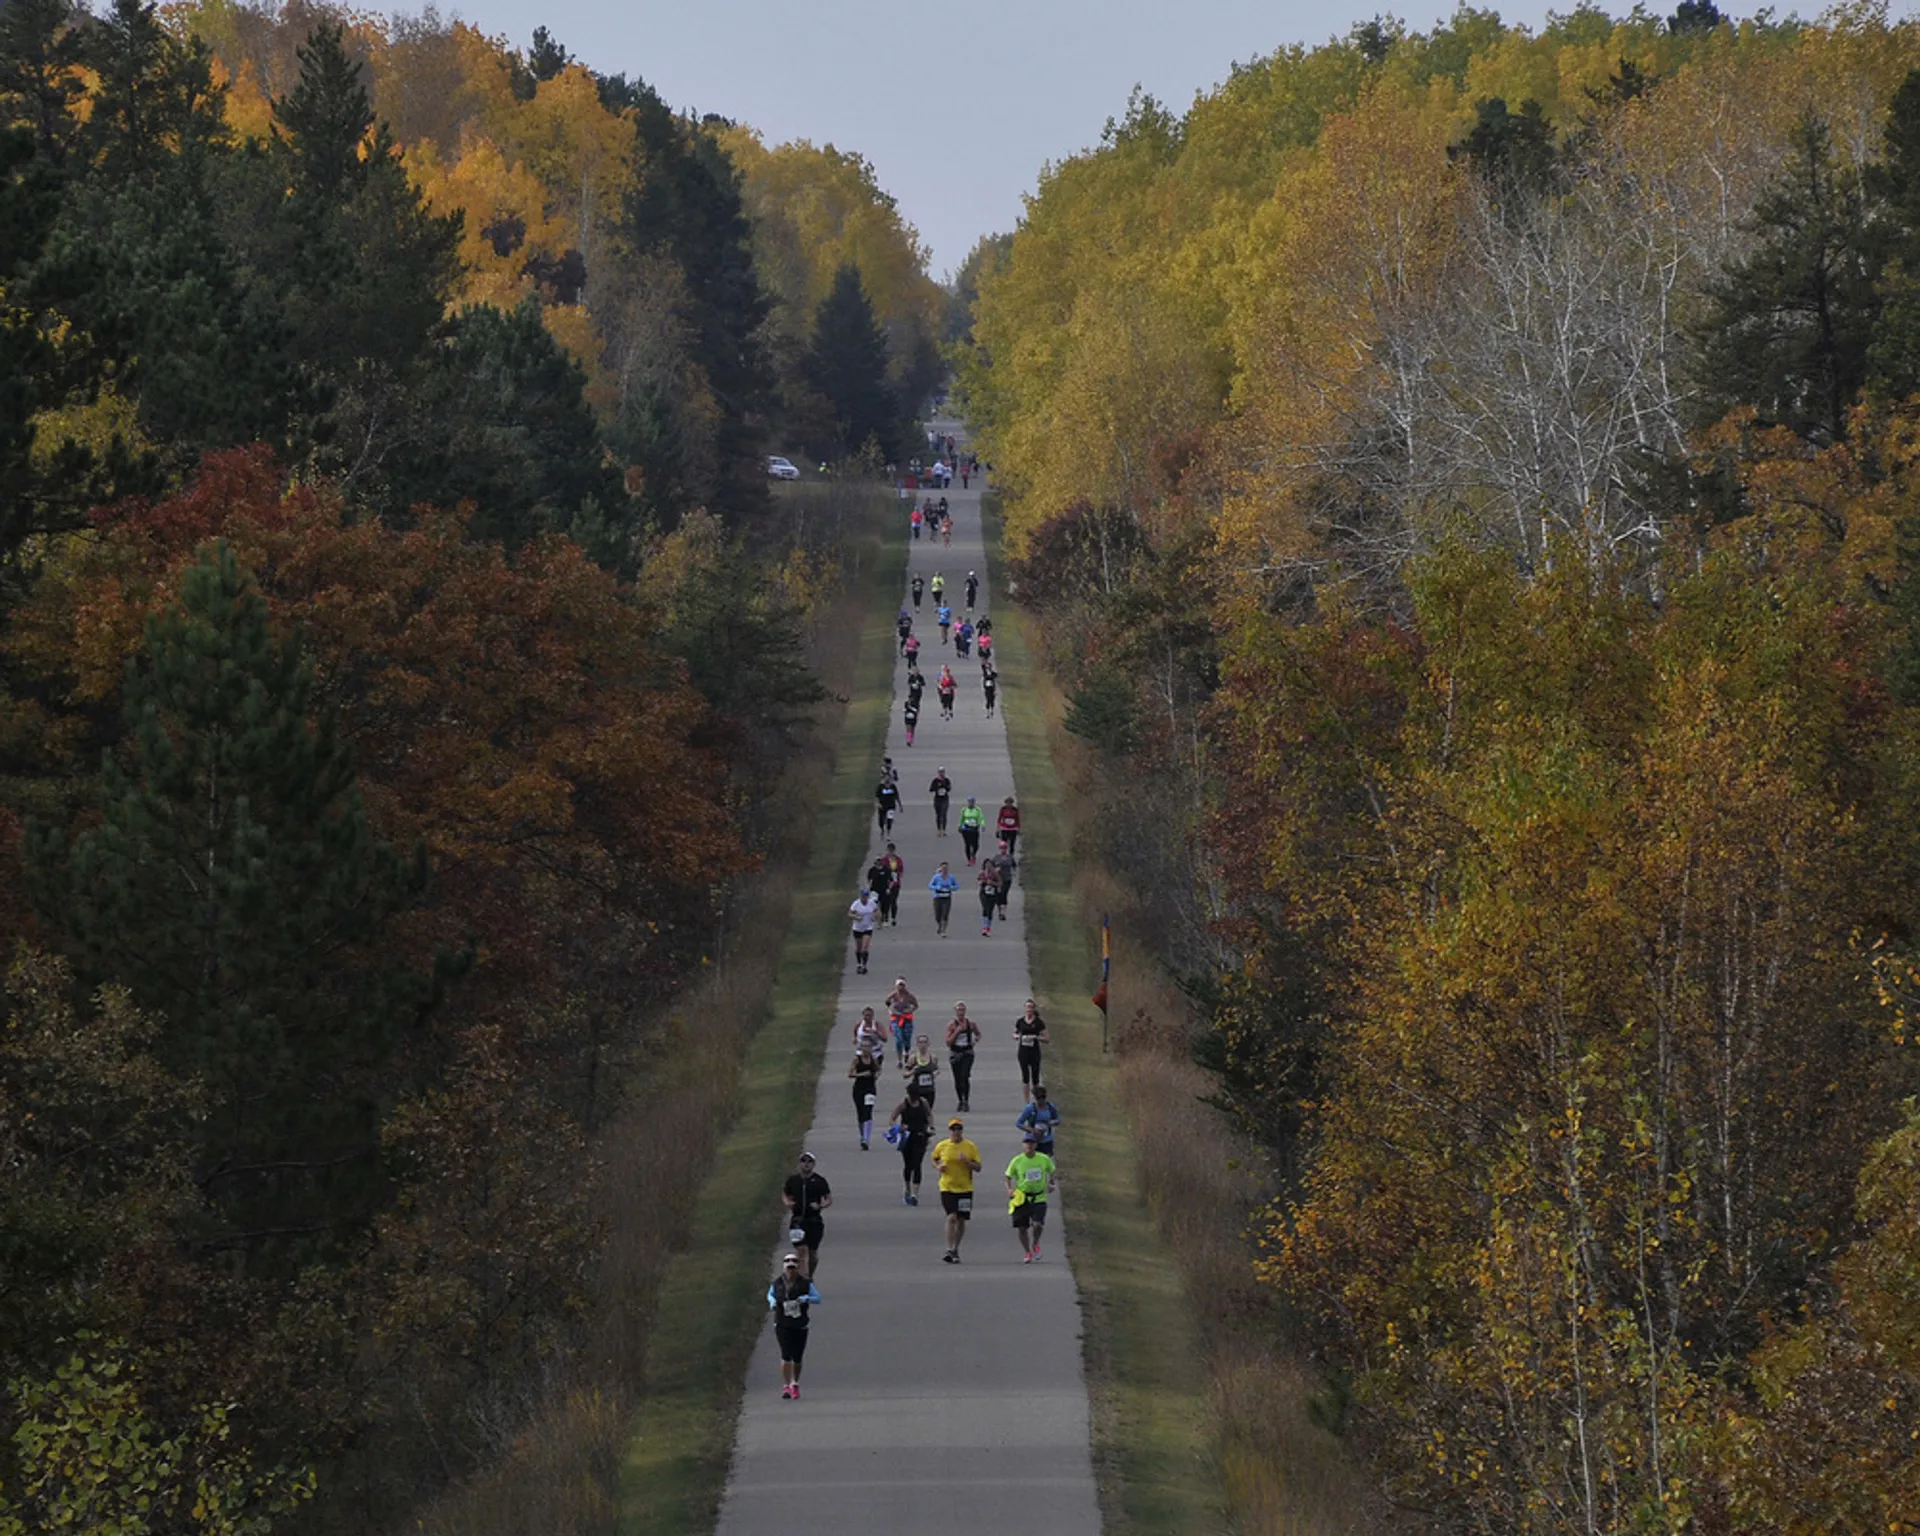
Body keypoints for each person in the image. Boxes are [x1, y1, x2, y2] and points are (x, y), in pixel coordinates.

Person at [767, 1253, 822, 1399]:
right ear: (784, 1266)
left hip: (800, 1323)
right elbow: (770, 1295)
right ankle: (786, 1387)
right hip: (782, 1323)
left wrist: (806, 1298)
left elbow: (818, 1298)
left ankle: (794, 1383)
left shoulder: (805, 1283)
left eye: (793, 1264)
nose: (791, 1267)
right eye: (788, 1263)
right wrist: (772, 1303)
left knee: (797, 1357)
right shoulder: (777, 1283)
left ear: (797, 1266)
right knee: (786, 1354)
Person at [932, 1118, 983, 1262]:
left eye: (958, 1129)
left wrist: (967, 1162)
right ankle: (949, 1248)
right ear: (949, 1131)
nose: (956, 1132)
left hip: (965, 1187)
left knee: (961, 1219)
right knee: (951, 1216)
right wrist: (938, 1167)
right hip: (947, 1186)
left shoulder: (970, 1146)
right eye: (953, 1129)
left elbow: (978, 1167)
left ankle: (955, 1248)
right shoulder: (942, 1145)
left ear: (962, 1131)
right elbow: (935, 1158)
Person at [1005, 1133, 1057, 1263]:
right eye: (1027, 1143)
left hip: (1039, 1197)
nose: (1029, 1145)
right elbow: (1007, 1176)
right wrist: (1009, 1189)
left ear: (1036, 1145)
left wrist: (1051, 1183)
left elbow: (1052, 1171)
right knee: (1022, 1227)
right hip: (1022, 1197)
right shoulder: (1017, 1160)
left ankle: (1035, 1243)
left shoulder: (1043, 1159)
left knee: (1037, 1224)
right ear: (1023, 1145)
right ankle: (1027, 1252)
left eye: (1032, 1143)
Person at [781, 1151, 832, 1279]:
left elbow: (829, 1198)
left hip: (814, 1221)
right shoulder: (793, 1181)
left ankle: (809, 1277)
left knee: (812, 1254)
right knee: (801, 1251)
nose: (806, 1164)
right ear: (799, 1164)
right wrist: (788, 1202)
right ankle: (802, 1279)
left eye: (809, 1162)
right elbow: (785, 1193)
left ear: (814, 1164)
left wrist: (821, 1206)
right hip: (797, 1221)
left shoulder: (819, 1181)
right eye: (803, 1161)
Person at [887, 1088, 931, 1204]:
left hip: (921, 1135)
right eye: (912, 1096)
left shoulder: (923, 1103)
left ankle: (914, 1194)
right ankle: (907, 1188)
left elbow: (929, 1115)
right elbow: (892, 1118)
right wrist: (898, 1128)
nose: (914, 1099)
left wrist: (931, 1127)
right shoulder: (903, 1104)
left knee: (917, 1164)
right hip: (907, 1137)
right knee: (908, 1165)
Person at [945, 1001, 980, 1112]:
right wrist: (957, 1031)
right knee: (957, 1078)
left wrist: (974, 1041)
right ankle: (960, 1100)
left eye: (962, 1010)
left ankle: (966, 1101)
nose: (960, 1012)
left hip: (967, 1053)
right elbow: (948, 1042)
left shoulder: (971, 1024)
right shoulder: (952, 1025)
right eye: (958, 1010)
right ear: (955, 1012)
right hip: (956, 1053)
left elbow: (978, 1034)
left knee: (964, 1076)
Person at [1014, 1000, 1049, 1101]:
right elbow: (1015, 1033)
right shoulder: (1020, 1021)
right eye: (1027, 1007)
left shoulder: (1038, 1022)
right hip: (1023, 1051)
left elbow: (1047, 1038)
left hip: (1034, 1052)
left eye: (1031, 1007)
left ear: (1034, 1009)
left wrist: (1036, 1037)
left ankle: (1037, 1100)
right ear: (1025, 1009)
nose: (1029, 1009)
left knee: (1035, 1077)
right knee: (1025, 1077)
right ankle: (1027, 1102)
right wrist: (1017, 1036)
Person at [1015, 1083, 1061, 1156]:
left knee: (1045, 1162)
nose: (1040, 1101)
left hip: (1047, 1140)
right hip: (1032, 1142)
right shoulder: (1030, 1109)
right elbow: (1019, 1123)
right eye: (1038, 1099)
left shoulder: (1050, 1108)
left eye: (1042, 1098)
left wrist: (1050, 1123)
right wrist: (1032, 1130)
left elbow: (1058, 1120)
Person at [885, 977, 919, 1067]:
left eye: (902, 985)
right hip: (896, 1019)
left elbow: (916, 1005)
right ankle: (899, 1059)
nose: (901, 987)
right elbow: (887, 1003)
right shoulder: (893, 995)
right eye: (899, 985)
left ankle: (906, 1051)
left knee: (907, 1038)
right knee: (899, 1039)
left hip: (907, 1018)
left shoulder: (909, 996)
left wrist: (910, 1010)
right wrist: (890, 1011)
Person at [904, 1033, 939, 1112]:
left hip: (929, 1090)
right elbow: (905, 1074)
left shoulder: (933, 1057)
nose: (923, 1045)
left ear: (928, 1044)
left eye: (924, 1042)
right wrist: (913, 1071)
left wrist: (935, 1074)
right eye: (920, 1042)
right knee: (918, 1111)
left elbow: (936, 1070)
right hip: (917, 1090)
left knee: (928, 1111)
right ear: (917, 1044)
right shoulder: (913, 1058)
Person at [848, 887, 879, 975]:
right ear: (861, 896)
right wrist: (856, 917)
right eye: (863, 896)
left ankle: (864, 965)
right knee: (859, 948)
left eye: (866, 896)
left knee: (865, 947)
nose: (865, 898)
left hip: (868, 927)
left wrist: (875, 917)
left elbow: (877, 911)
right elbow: (849, 914)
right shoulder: (856, 904)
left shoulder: (871, 903)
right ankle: (858, 964)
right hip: (857, 928)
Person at [928, 860, 959, 935]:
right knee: (937, 915)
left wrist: (951, 887)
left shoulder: (951, 877)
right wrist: (937, 887)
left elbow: (957, 886)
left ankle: (943, 930)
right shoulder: (936, 877)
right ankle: (939, 925)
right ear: (941, 869)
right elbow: (930, 886)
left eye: (946, 868)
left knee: (945, 914)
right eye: (943, 868)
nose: (945, 870)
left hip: (947, 898)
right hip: (938, 898)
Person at [989, 839, 1016, 920]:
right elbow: (991, 867)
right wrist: (994, 871)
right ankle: (1000, 910)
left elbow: (1014, 866)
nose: (1003, 849)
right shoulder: (996, 858)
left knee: (1004, 894)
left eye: (1004, 848)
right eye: (1001, 848)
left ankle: (1003, 913)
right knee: (998, 896)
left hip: (1007, 879)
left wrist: (1013, 873)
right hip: (997, 879)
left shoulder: (1010, 857)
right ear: (999, 848)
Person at [977, 856, 1002, 936]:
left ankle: (988, 928)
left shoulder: (995, 873)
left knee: (990, 910)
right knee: (985, 908)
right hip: (983, 893)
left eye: (989, 864)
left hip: (992, 894)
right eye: (986, 864)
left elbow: (1000, 883)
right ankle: (984, 927)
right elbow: (978, 880)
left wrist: (992, 883)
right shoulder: (982, 872)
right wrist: (982, 881)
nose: (988, 866)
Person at [958, 795, 985, 864]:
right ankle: (969, 859)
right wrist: (960, 826)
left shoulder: (977, 810)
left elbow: (981, 817)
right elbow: (961, 818)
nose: (971, 803)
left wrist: (983, 825)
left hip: (974, 828)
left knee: (975, 845)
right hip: (966, 829)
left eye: (972, 802)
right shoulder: (964, 810)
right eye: (969, 802)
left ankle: (973, 854)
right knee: (967, 844)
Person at [929, 766, 952, 834]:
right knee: (938, 814)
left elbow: (949, 789)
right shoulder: (935, 780)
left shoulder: (947, 780)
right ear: (938, 772)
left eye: (943, 771)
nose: (942, 773)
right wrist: (937, 788)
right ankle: (939, 829)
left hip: (945, 799)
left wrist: (946, 787)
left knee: (944, 814)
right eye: (940, 772)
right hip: (937, 799)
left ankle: (944, 830)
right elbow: (931, 789)